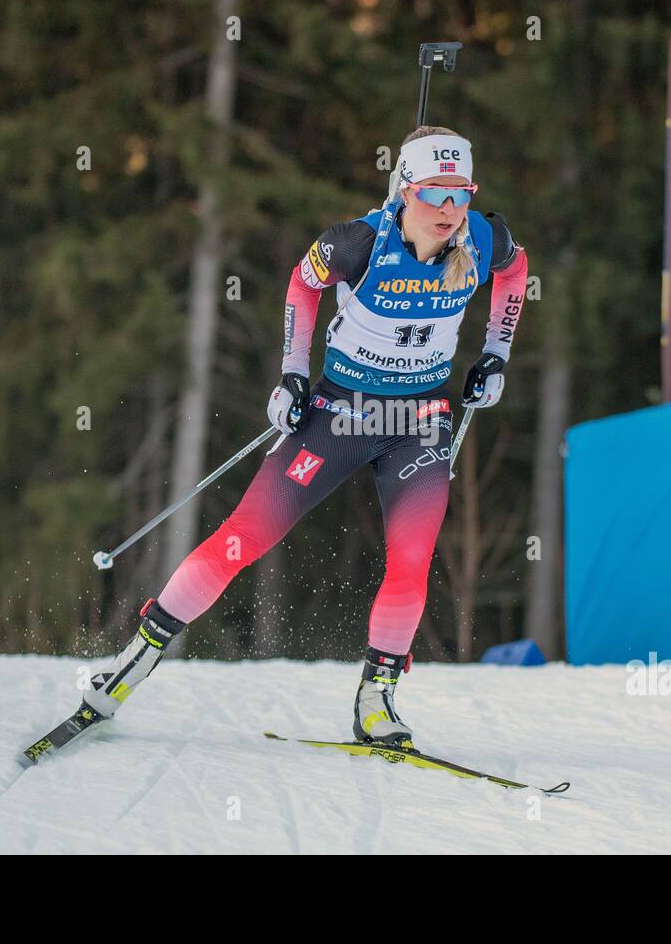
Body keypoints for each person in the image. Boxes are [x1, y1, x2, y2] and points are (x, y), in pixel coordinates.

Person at [82, 125, 528, 748]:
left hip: (419, 419)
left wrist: (496, 354)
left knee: (411, 559)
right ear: (405, 190)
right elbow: (302, 284)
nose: (450, 210)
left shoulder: (482, 237)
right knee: (242, 538)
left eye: (461, 193)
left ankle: (377, 699)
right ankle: (135, 660)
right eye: (434, 193)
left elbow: (516, 271)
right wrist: (292, 374)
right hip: (340, 412)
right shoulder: (357, 243)